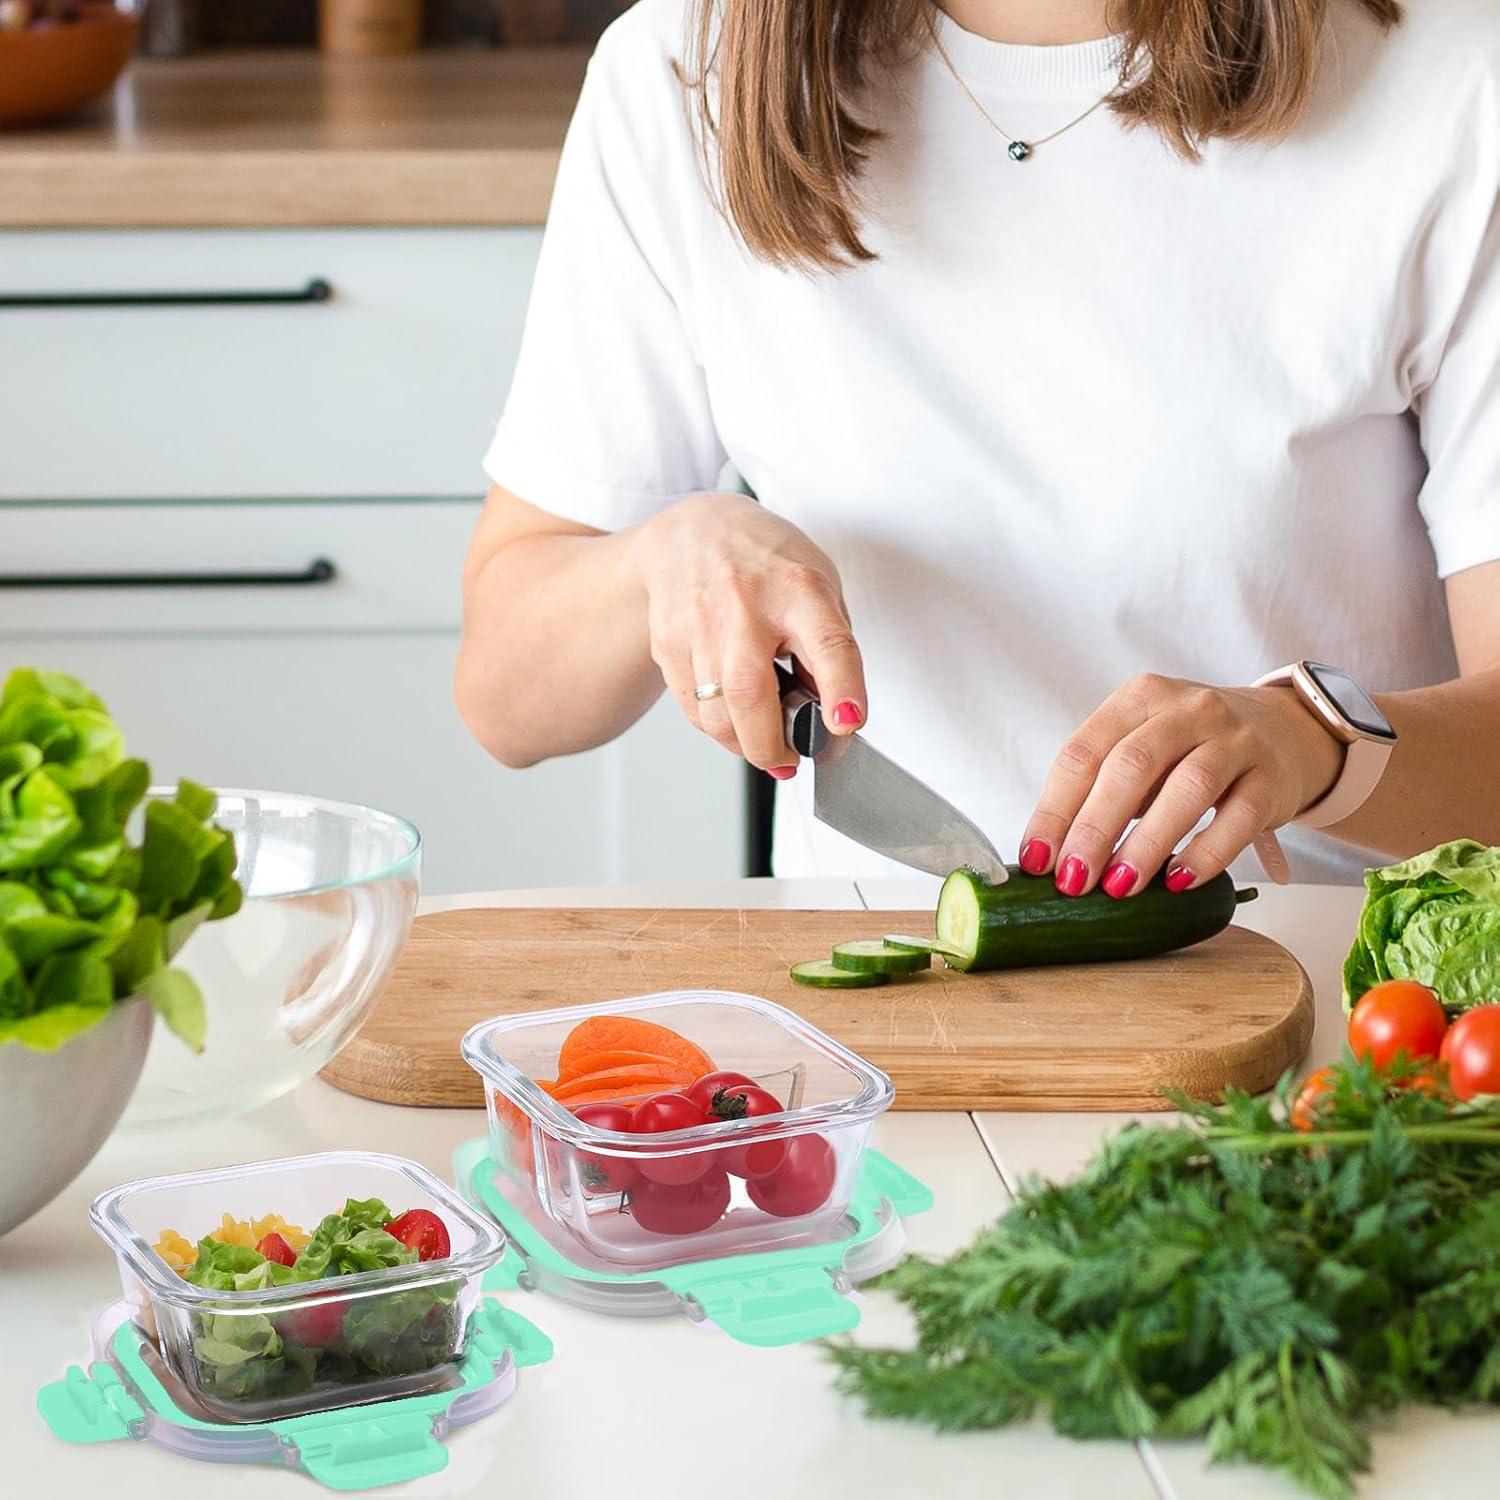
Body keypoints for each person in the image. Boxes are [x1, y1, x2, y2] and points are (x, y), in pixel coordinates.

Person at [456, 0, 1500, 896]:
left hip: (1336, 1021)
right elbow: (505, 696)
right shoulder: (683, 75)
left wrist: (1316, 743)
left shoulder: (1452, 79)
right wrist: (662, 558)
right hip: (878, 1028)